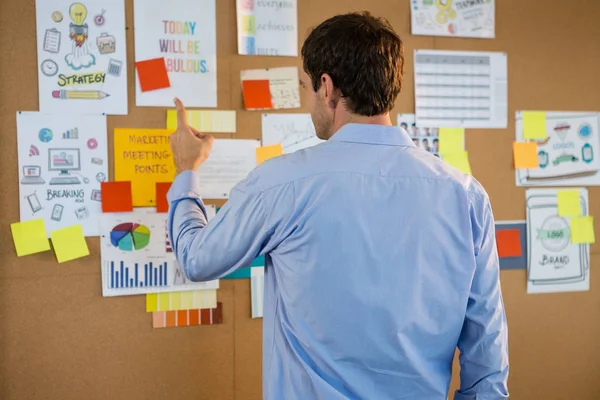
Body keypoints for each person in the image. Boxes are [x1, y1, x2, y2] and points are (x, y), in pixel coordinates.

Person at [167, 11, 509, 400]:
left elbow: (197, 259)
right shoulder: (465, 195)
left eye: (307, 88)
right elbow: (487, 356)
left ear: (327, 87)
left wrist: (186, 171)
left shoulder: (281, 183)